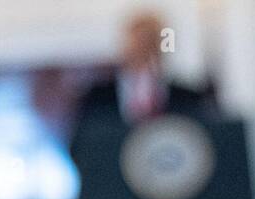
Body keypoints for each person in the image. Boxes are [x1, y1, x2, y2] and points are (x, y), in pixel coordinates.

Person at [72, 11, 215, 131]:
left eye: (151, 40)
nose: (144, 48)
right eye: (139, 41)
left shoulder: (188, 98)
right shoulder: (97, 98)